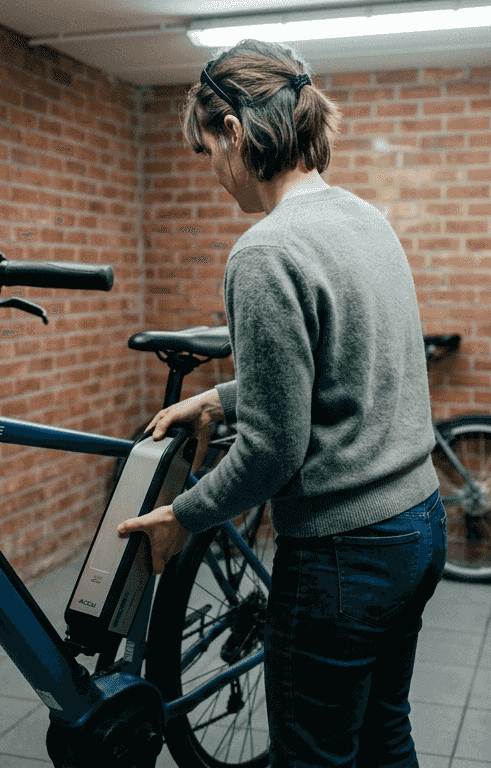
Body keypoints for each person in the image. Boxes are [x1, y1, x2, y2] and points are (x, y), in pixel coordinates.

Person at [117, 38, 445, 768]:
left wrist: (183, 516)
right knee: (385, 736)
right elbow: (351, 370)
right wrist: (221, 399)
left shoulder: (264, 252)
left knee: (312, 758)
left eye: (208, 150)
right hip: (419, 525)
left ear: (235, 132)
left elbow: (273, 451)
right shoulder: (366, 218)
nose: (213, 172)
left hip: (343, 553)